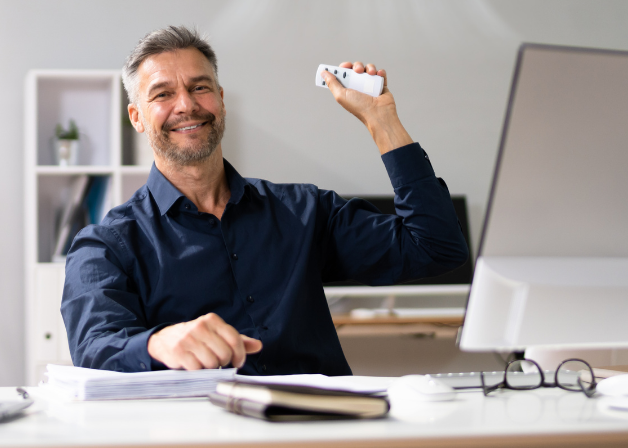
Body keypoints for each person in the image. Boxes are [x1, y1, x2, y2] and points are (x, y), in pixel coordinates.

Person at [61, 26, 468, 375]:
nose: (186, 104)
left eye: (199, 87)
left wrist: (383, 122)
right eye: (162, 94)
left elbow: (435, 247)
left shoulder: (305, 212)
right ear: (136, 117)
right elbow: (94, 349)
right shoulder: (106, 245)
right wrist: (159, 344)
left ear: (219, 99)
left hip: (319, 428)